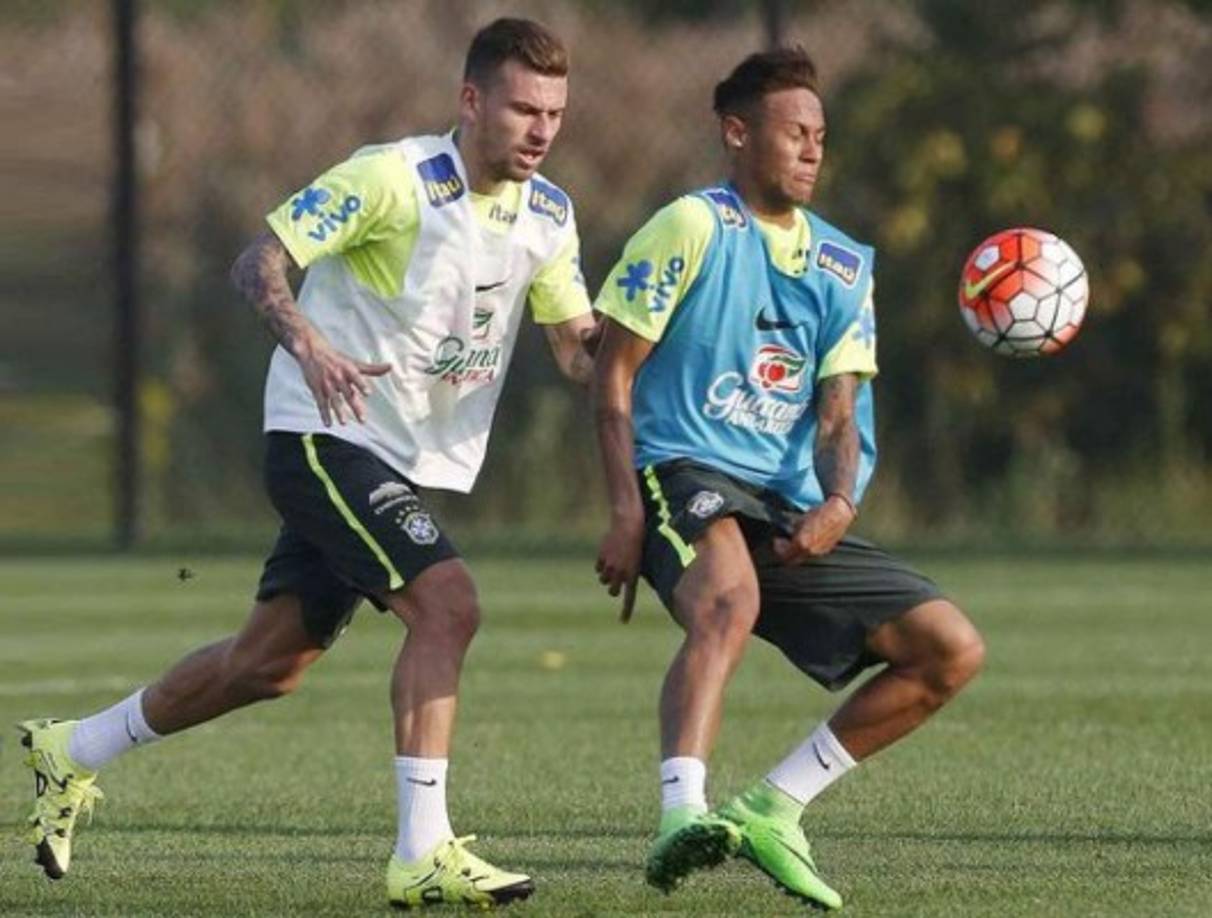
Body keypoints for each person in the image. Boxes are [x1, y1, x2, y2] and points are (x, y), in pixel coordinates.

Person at [18, 17, 596, 910]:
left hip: (404, 464)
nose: (541, 129)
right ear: (471, 99)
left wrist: (647, 350)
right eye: (524, 107)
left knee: (266, 666)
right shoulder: (392, 178)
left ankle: (73, 749)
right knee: (448, 606)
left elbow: (575, 349)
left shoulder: (549, 218)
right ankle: (422, 852)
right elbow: (261, 263)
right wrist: (309, 341)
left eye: (554, 112)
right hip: (325, 439)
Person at [592, 47, 985, 910]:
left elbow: (838, 412)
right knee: (729, 599)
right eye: (794, 132)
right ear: (737, 134)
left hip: (782, 497)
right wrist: (625, 509)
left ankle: (776, 807)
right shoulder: (692, 227)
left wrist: (840, 503)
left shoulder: (844, 266)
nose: (812, 149)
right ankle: (680, 816)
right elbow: (613, 373)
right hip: (681, 467)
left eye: (820, 135)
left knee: (949, 649)